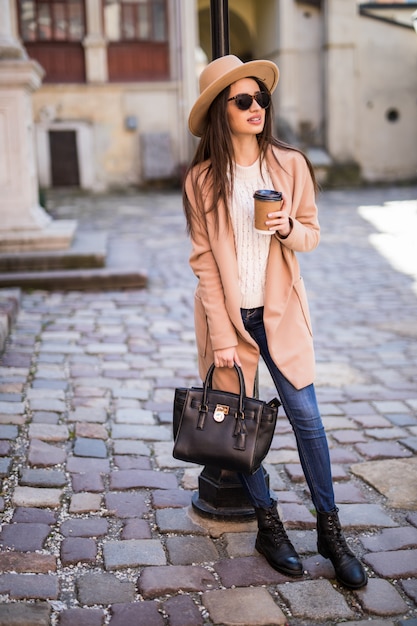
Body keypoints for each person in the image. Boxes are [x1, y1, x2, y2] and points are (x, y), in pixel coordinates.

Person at [182, 55, 367, 590]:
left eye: (260, 98)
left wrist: (288, 227)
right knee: (234, 429)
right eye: (243, 100)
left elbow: (311, 234)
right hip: (229, 320)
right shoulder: (200, 180)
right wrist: (221, 334)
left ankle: (331, 534)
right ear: (222, 110)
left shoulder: (289, 165)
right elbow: (203, 262)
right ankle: (269, 525)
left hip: (279, 312)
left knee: (307, 420)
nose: (256, 107)